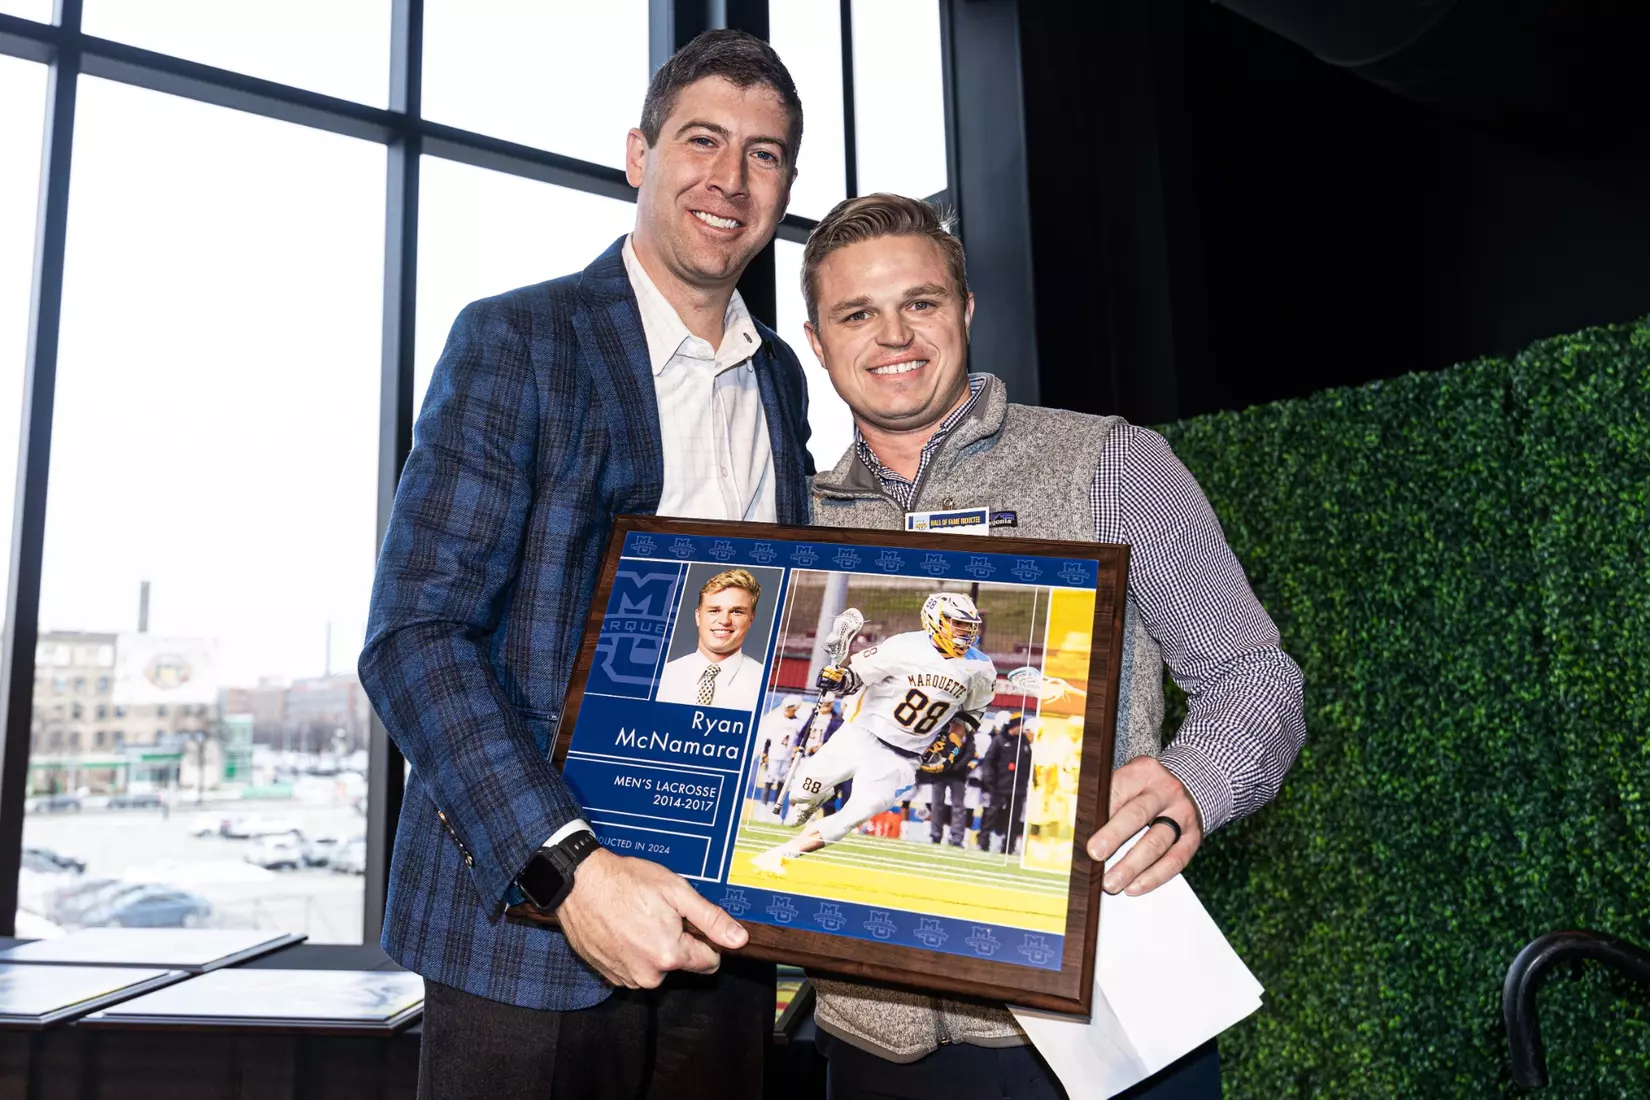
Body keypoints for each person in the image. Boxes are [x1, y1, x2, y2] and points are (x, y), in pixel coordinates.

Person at [358, 31, 811, 1100]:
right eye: (701, 139)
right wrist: (568, 867)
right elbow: (415, 636)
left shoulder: (781, 378)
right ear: (636, 155)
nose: (730, 177)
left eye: (765, 153)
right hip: (527, 927)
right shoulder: (518, 339)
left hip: (724, 928)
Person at [794, 193, 1307, 1099]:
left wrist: (1196, 782)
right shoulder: (790, 518)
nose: (893, 336)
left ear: (965, 310)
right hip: (877, 1041)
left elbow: (1254, 677)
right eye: (857, 314)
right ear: (817, 339)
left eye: (919, 302)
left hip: (1105, 1012)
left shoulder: (1110, 463)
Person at [750, 592, 996, 874]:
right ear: (935, 620)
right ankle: (808, 800)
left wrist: (952, 743)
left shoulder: (980, 668)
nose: (965, 631)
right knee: (801, 793)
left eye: (969, 625)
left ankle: (780, 855)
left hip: (902, 759)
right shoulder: (904, 646)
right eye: (958, 623)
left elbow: (970, 714)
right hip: (860, 734)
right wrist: (839, 678)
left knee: (853, 816)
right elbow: (856, 676)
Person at [657, 568, 765, 710]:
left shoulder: (763, 683)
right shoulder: (662, 677)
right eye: (714, 611)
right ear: (698, 616)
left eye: (737, 612)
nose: (724, 620)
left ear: (751, 619)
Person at [974, 715, 1032, 854]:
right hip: (998, 787)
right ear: (1013, 725)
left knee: (1013, 819)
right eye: (1019, 725)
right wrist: (989, 781)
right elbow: (988, 762)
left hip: (1018, 789)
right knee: (991, 815)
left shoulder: (1024, 743)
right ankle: (983, 843)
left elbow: (1028, 764)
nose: (1022, 729)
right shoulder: (999, 741)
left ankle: (1008, 848)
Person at [754, 693, 806, 804]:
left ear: (795, 708)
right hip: (774, 754)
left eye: (790, 708)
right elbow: (769, 739)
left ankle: (776, 806)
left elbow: (799, 741)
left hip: (787, 757)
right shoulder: (776, 720)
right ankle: (764, 805)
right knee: (769, 781)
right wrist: (765, 753)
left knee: (782, 782)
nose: (787, 710)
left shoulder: (799, 723)